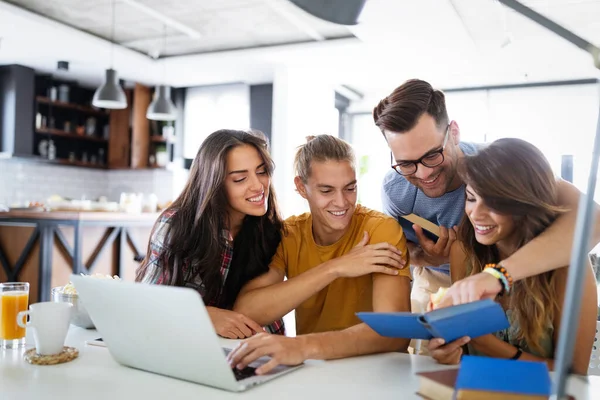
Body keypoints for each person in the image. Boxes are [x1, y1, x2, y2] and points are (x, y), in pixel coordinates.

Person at [372, 79, 600, 311]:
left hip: (515, 273)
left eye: (432, 155)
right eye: (406, 164)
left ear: (454, 132)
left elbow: (592, 219)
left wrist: (499, 275)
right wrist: (427, 257)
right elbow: (398, 249)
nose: (424, 173)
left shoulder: (498, 165)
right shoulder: (395, 189)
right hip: (437, 280)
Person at [227, 134, 411, 375]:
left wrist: (301, 346)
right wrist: (335, 268)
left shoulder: (380, 230)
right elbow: (246, 312)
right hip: (316, 371)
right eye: (326, 190)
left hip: (380, 372)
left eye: (350, 188)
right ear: (302, 187)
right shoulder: (290, 233)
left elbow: (395, 333)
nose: (341, 202)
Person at [427, 138, 597, 375]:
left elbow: (573, 375)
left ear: (525, 204)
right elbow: (464, 355)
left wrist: (489, 345)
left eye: (494, 203)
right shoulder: (464, 253)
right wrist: (449, 352)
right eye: (472, 198)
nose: (475, 214)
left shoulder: (568, 268)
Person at [135, 129, 285, 339]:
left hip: (255, 350)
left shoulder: (270, 229)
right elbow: (145, 302)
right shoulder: (177, 225)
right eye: (240, 178)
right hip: (190, 347)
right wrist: (205, 315)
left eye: (261, 172)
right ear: (214, 184)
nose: (258, 185)